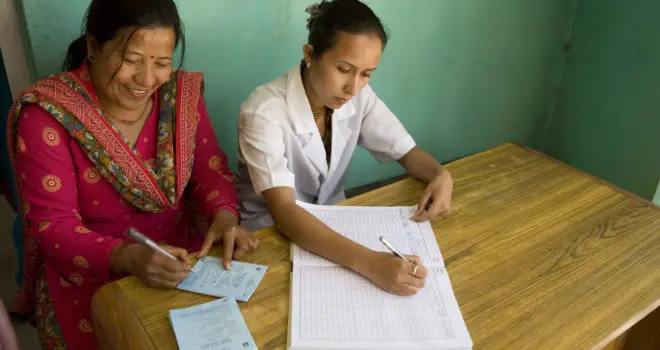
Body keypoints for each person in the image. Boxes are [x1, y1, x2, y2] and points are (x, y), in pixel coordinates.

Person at [6, 0, 258, 348]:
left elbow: (210, 171)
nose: (146, 79)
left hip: (179, 264)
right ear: (94, 47)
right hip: (90, 276)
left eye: (161, 63)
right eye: (131, 60)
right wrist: (129, 257)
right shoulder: (48, 117)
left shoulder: (179, 98)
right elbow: (53, 226)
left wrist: (226, 216)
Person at [236, 0, 453, 297]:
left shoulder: (358, 97)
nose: (353, 87)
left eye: (366, 73)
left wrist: (441, 175)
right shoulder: (263, 111)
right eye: (344, 69)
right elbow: (285, 210)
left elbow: (405, 151)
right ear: (310, 54)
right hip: (269, 234)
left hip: (333, 226)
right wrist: (373, 263)